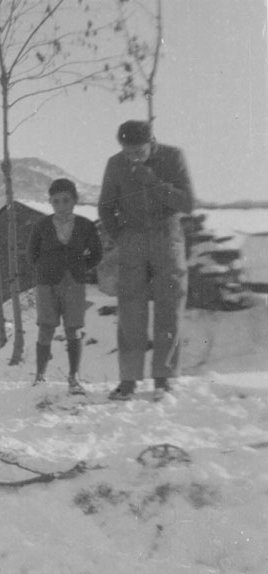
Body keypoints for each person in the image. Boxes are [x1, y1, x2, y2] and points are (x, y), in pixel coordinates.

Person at [97, 120, 195, 400]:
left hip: (168, 237)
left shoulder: (172, 157)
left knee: (170, 308)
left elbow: (188, 202)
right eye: (127, 152)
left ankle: (164, 380)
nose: (132, 157)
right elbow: (105, 206)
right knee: (130, 311)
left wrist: (153, 183)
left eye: (138, 152)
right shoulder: (115, 164)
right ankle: (129, 380)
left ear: (152, 141)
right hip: (133, 241)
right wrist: (122, 237)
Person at [28, 178, 102, 394]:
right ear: (50, 202)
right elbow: (32, 256)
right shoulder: (41, 226)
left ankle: (74, 377)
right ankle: (40, 375)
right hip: (46, 284)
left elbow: (97, 254)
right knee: (46, 328)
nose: (61, 206)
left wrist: (78, 268)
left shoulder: (86, 226)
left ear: (75, 201)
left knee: (73, 328)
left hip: (74, 283)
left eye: (66, 201)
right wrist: (46, 269)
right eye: (56, 201)